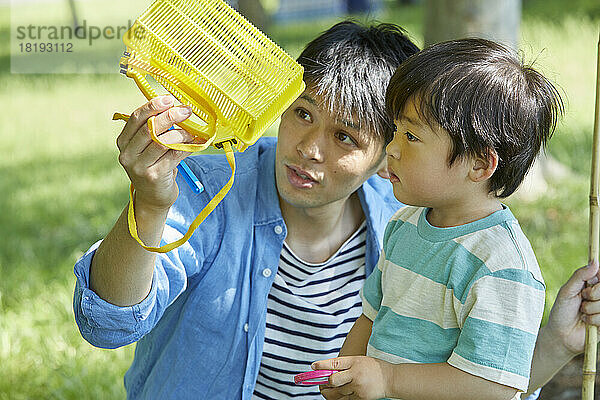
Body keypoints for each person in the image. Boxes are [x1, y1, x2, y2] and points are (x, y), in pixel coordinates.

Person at [72, 21, 599, 400]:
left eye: (345, 136)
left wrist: (552, 346)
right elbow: (108, 324)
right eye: (302, 113)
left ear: (387, 153)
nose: (308, 147)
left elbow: (476, 381)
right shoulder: (207, 186)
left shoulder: (419, 220)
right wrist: (149, 203)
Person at [311, 38, 563, 400]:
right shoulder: (405, 224)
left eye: (411, 136)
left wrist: (389, 379)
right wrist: (344, 375)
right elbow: (371, 316)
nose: (392, 148)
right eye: (395, 131)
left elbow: (493, 385)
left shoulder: (502, 266)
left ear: (479, 164)